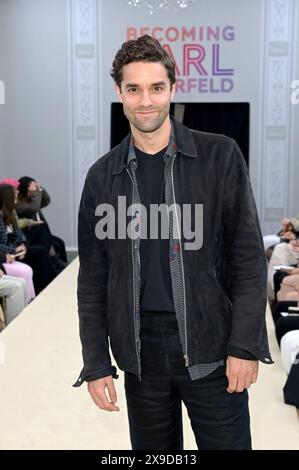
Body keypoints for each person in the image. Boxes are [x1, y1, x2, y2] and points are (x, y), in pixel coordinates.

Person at [73, 35, 273, 450]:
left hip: (213, 348)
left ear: (172, 89)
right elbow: (92, 280)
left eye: (156, 88)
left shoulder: (221, 156)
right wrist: (96, 363)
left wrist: (244, 344)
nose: (146, 100)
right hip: (140, 357)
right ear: (120, 93)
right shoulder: (101, 177)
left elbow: (249, 259)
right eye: (134, 89)